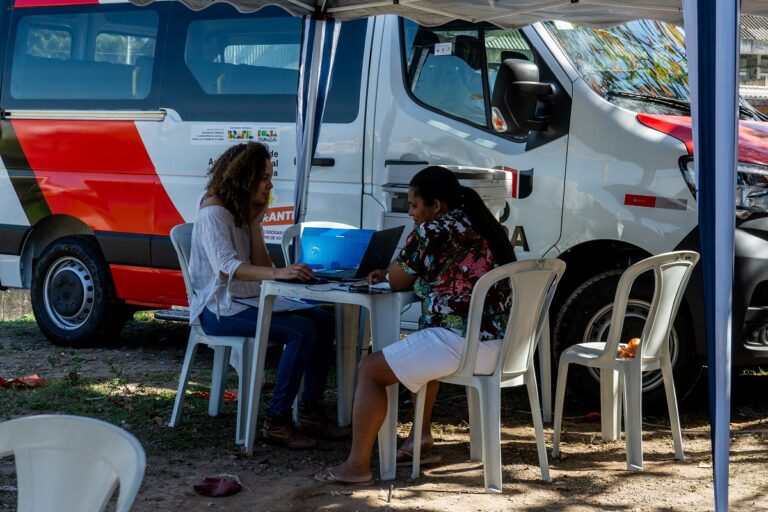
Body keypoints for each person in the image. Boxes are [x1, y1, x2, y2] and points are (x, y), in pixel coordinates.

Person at [315, 165, 515, 485]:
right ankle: (419, 436)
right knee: (422, 339)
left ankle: (357, 466)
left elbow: (397, 280)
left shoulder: (432, 230)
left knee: (370, 369)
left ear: (435, 205)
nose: (410, 212)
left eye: (413, 205)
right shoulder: (487, 225)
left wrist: (396, 268)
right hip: (501, 344)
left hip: (460, 342)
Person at [188, 141, 348, 450]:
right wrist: (278, 274)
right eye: (263, 176)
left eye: (269, 176)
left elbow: (260, 265)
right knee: (302, 331)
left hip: (246, 300)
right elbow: (228, 268)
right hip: (220, 309)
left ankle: (310, 411)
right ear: (243, 177)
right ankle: (276, 421)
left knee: (323, 321)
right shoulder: (214, 212)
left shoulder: (240, 211)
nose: (269, 184)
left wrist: (255, 224)